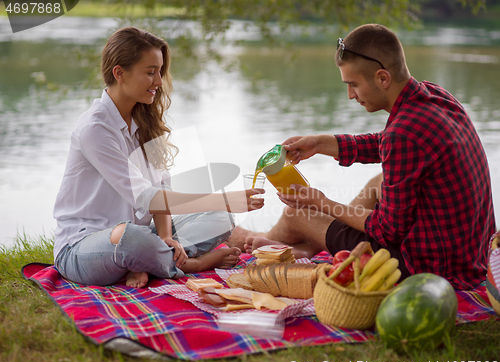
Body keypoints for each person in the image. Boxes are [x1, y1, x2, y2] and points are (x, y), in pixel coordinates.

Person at [226, 24, 496, 290]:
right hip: (467, 256)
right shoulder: (436, 96)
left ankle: (260, 245)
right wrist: (322, 143)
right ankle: (302, 248)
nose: (350, 95)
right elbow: (384, 143)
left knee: (297, 213)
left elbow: (387, 231)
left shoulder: (402, 135)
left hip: (427, 267)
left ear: (382, 78)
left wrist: (322, 202)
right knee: (380, 181)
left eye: (353, 84)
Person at [53, 27, 264, 288]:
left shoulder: (143, 119)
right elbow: (145, 197)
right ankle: (191, 264)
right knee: (129, 238)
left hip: (143, 235)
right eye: (150, 72)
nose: (159, 82)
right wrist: (226, 198)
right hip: (83, 247)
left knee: (219, 217)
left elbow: (160, 188)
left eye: (160, 71)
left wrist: (165, 235)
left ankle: (150, 262)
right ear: (120, 73)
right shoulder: (95, 129)